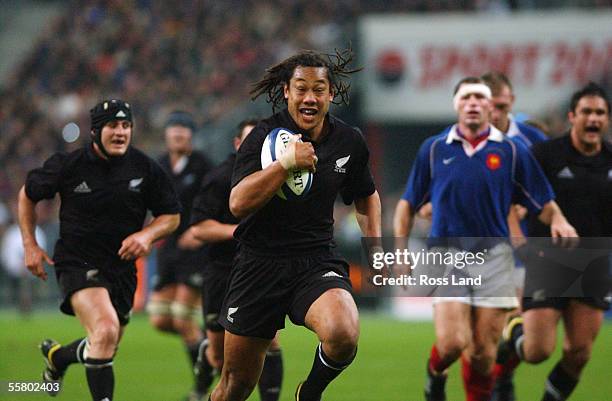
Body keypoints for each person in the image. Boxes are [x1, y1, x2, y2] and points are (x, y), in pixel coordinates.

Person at [206, 49, 381, 401]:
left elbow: (366, 195)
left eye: (319, 89)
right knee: (235, 387)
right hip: (259, 264)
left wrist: (376, 247)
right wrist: (284, 164)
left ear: (331, 94)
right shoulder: (261, 138)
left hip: (315, 260)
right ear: (286, 91)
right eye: (301, 88)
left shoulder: (349, 141)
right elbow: (238, 204)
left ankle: (309, 393)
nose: (310, 98)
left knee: (344, 333)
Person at [393, 77, 576, 401]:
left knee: (483, 355)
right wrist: (400, 250)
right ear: (456, 105)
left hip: (494, 258)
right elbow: (408, 204)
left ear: (490, 107)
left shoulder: (511, 150)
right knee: (452, 343)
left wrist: (559, 219)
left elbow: (542, 201)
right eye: (467, 97)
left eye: (480, 98)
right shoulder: (435, 148)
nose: (473, 103)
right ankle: (435, 372)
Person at [18, 99, 181, 401]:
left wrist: (147, 235)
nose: (120, 132)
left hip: (122, 269)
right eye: (112, 126)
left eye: (126, 125)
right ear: (95, 131)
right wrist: (30, 244)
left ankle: (58, 358)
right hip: (77, 263)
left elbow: (171, 216)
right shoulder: (69, 165)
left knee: (104, 344)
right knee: (105, 332)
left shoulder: (145, 168)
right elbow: (27, 195)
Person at [502, 82, 612, 401]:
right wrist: (517, 236)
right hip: (549, 257)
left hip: (595, 261)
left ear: (606, 119)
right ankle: (513, 335)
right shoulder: (545, 155)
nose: (593, 119)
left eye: (600, 113)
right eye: (587, 112)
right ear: (572, 116)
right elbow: (509, 196)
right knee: (537, 351)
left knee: (579, 353)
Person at [179, 119, 283, 401]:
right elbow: (199, 228)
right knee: (219, 357)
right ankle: (204, 367)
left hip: (260, 271)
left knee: (270, 341)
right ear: (237, 144)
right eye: (249, 142)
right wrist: (237, 231)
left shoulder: (277, 177)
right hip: (222, 272)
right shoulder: (220, 178)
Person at [480, 71, 549, 401]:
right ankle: (498, 381)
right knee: (495, 327)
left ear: (512, 102)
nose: (496, 113)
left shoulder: (534, 141)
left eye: (502, 105)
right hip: (484, 243)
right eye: (490, 105)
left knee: (524, 329)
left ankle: (502, 375)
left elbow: (550, 190)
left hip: (532, 242)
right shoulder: (462, 140)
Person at [146, 110, 212, 400]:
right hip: (167, 249)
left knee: (184, 318)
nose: (178, 135)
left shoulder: (203, 166)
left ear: (191, 137)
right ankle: (211, 346)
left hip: (195, 248)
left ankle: (200, 387)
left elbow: (214, 202)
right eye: (174, 130)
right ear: (167, 135)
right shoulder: (158, 166)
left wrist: (199, 230)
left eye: (184, 131)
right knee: (160, 319)